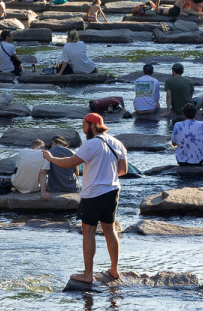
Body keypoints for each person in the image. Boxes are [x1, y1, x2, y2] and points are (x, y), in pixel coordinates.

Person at [43, 113, 128, 286]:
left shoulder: (91, 144)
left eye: (84, 125)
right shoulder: (117, 143)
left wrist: (51, 158)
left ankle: (88, 274)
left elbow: (70, 162)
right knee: (110, 230)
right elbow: (123, 170)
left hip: (93, 194)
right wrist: (105, 173)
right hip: (112, 190)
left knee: (88, 233)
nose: (83, 129)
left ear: (92, 126)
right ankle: (114, 270)